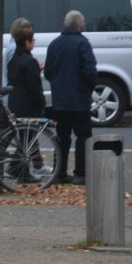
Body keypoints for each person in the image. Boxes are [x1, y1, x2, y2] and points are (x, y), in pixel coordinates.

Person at [44, 10, 97, 185]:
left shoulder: (54, 45)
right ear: (80, 26)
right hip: (80, 100)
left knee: (61, 137)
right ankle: (80, 173)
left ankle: (59, 173)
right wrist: (88, 89)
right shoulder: (83, 44)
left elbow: (48, 72)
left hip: (60, 101)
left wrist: (58, 86)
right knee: (83, 136)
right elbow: (90, 71)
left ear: (65, 24)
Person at [7, 29, 46, 119]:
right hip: (28, 105)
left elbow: (18, 77)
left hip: (15, 103)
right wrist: (42, 102)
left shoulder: (13, 60)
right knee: (30, 131)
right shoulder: (30, 61)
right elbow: (34, 86)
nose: (34, 42)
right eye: (33, 40)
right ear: (27, 42)